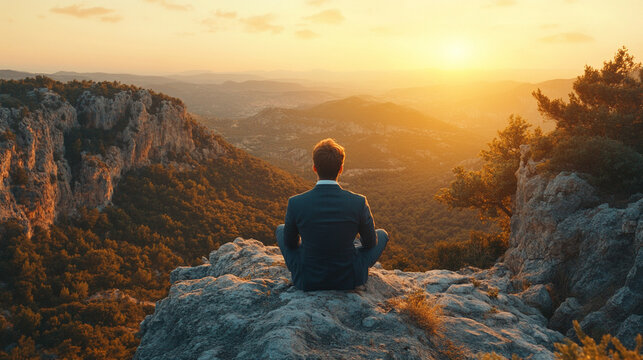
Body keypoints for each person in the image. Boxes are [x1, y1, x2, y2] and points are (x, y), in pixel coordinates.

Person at [275, 138, 389, 291]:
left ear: (314, 168)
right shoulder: (358, 202)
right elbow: (370, 244)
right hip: (348, 278)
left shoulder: (296, 203)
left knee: (281, 230)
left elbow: (290, 244)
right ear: (341, 168)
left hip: (307, 279)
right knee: (381, 234)